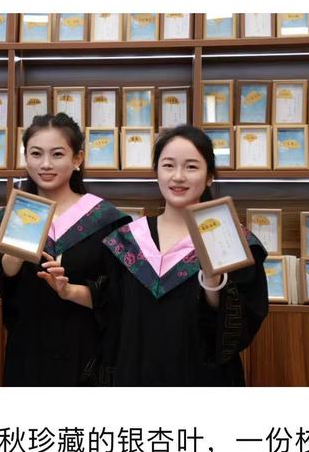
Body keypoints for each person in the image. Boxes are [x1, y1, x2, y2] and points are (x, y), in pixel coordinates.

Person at [98, 124, 268, 386]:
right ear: (156, 172)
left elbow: (239, 327)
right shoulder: (127, 241)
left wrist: (213, 282)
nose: (178, 176)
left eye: (191, 167)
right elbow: (111, 313)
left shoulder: (232, 242)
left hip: (202, 380)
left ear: (209, 176)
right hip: (135, 374)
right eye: (168, 165)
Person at [0, 113, 130, 385]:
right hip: (27, 353)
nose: (45, 164)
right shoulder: (12, 217)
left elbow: (117, 294)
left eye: (57, 154)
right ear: (25, 157)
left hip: (84, 353)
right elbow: (0, 279)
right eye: (36, 154)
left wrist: (70, 290)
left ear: (77, 159)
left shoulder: (106, 220)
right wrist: (14, 253)